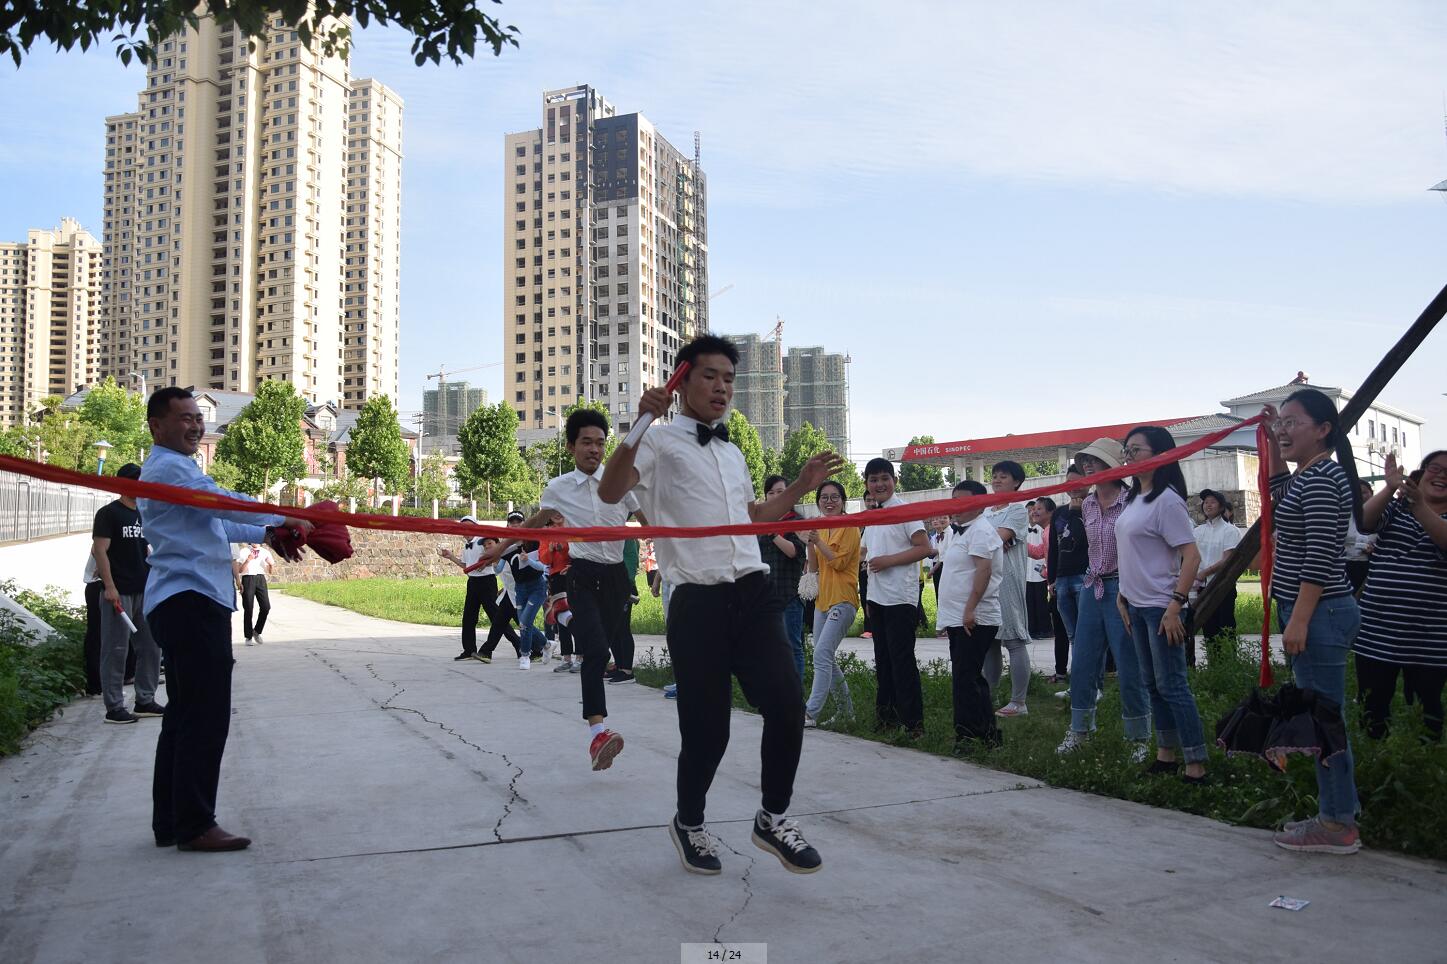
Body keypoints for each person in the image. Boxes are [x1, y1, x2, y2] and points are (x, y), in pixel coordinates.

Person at [599, 334, 842, 876]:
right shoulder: (657, 444)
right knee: (709, 730)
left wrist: (800, 487)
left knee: (787, 705)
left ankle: (772, 817)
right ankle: (689, 822)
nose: (721, 388)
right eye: (709, 376)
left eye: (728, 379)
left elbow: (753, 517)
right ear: (681, 381)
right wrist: (638, 425)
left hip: (753, 593)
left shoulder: (733, 452)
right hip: (697, 600)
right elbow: (610, 492)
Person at [139, 387, 312, 852]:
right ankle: (195, 824)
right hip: (191, 601)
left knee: (183, 714)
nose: (196, 425)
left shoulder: (173, 469)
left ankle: (171, 821)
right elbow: (221, 504)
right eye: (184, 418)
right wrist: (286, 515)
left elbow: (216, 522)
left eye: (198, 417)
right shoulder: (171, 469)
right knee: (205, 716)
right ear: (156, 425)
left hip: (182, 600)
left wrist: (269, 532)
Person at [484, 409, 645, 768]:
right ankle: (597, 733)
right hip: (582, 574)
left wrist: (679, 543)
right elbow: (532, 524)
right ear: (571, 446)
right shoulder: (558, 488)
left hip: (616, 577)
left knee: (605, 646)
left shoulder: (619, 482)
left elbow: (650, 523)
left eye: (600, 443)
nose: (594, 449)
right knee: (597, 651)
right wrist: (500, 547)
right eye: (586, 442)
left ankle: (562, 615)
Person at [1261, 389, 1363, 855]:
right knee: (1324, 718)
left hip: (1318, 613)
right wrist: (1270, 441)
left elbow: (1320, 556)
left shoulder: (1322, 479)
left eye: (1291, 422)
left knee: (1324, 723)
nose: (1283, 430)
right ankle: (1338, 813)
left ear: (1323, 430)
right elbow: (1281, 495)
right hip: (1314, 611)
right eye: (1280, 423)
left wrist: (1299, 620)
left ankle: (1337, 824)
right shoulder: (1310, 475)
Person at [1116, 427, 1208, 783]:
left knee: (1173, 685)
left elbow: (1192, 556)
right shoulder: (1134, 498)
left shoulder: (1167, 500)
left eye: (1135, 450)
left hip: (1161, 606)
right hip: (1136, 605)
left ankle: (1196, 764)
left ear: (1160, 455)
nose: (1128, 457)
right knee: (1152, 685)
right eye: (1126, 450)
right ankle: (1165, 756)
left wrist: (1175, 605)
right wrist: (1123, 594)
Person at [1057, 438, 1152, 758]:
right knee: (1083, 661)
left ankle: (1139, 737)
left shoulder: (1133, 500)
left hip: (1123, 587)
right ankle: (1080, 730)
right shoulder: (1087, 504)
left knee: (1128, 663)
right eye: (1085, 460)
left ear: (1111, 464)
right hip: (1091, 585)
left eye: (1094, 460)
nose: (1087, 465)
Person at [1354, 451, 1447, 741]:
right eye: (1435, 468)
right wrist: (1390, 487)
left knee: (1426, 710)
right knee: (1372, 707)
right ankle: (1373, 759)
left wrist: (1419, 505)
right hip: (1376, 631)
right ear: (1422, 473)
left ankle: (1422, 762)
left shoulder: (1419, 508)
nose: (1441, 475)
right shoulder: (1397, 508)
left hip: (1429, 637)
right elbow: (1364, 522)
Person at [862, 457, 935, 738]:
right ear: (867, 484)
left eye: (885, 478)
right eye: (873, 480)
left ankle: (914, 724)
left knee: (902, 661)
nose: (879, 484)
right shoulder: (873, 516)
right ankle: (886, 720)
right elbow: (866, 555)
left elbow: (924, 547)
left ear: (895, 480)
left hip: (901, 599)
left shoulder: (906, 511)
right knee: (883, 660)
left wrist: (889, 561)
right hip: (877, 599)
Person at [92, 463, 164, 725]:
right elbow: (99, 551)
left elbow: (145, 549)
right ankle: (114, 707)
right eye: (135, 481)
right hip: (118, 591)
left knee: (151, 646)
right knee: (116, 649)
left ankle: (145, 700)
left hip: (143, 590)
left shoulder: (144, 514)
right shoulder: (109, 514)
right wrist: (110, 586)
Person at [936, 479, 1005, 751]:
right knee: (968, 677)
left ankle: (969, 736)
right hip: (960, 618)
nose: (957, 506)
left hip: (974, 617)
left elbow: (983, 571)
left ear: (979, 504)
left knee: (967, 679)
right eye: (954, 500)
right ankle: (986, 735)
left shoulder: (981, 531)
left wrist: (969, 609)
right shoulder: (963, 531)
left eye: (963, 501)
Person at [802, 480, 860, 728]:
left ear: (843, 501)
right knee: (825, 656)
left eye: (834, 497)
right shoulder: (820, 527)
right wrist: (810, 543)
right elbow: (814, 568)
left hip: (843, 599)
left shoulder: (850, 526)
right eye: (824, 497)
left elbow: (838, 563)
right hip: (822, 601)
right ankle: (846, 713)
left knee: (822, 654)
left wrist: (818, 541)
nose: (829, 502)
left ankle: (810, 712)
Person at [983, 460, 1032, 717]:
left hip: (1007, 581)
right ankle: (988, 696)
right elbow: (979, 540)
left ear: (1016, 482)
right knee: (990, 641)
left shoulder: (1017, 510)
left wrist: (987, 540)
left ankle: (1019, 702)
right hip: (984, 581)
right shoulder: (985, 511)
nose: (997, 480)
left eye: (1003, 476)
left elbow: (993, 539)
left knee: (1013, 640)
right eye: (994, 475)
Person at [440, 525, 520, 662]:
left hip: (486, 582)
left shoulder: (482, 541)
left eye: (468, 527)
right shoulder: (467, 546)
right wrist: (451, 557)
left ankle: (518, 644)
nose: (465, 532)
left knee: (497, 617)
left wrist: (485, 564)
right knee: (468, 617)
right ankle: (469, 650)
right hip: (473, 582)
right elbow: (466, 566)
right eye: (463, 529)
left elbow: (493, 557)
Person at [758, 474, 808, 681]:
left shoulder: (796, 521)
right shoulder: (759, 523)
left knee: (792, 646)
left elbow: (793, 552)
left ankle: (795, 693)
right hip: (765, 596)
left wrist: (772, 532)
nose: (775, 496)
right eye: (771, 493)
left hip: (789, 595)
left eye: (780, 492)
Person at [1047, 467, 1090, 686]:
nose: (1073, 487)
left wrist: (1077, 512)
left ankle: (1092, 679)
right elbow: (1054, 548)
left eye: (1077, 482)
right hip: (1062, 578)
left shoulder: (1094, 506)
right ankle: (1079, 680)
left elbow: (1087, 539)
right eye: (1069, 483)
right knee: (1072, 633)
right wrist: (1052, 578)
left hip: (1085, 575)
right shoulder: (1059, 512)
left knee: (1088, 631)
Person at [1190, 489, 1242, 667]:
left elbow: (1227, 560)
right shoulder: (1198, 531)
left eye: (1212, 502)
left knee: (1225, 627)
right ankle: (1214, 667)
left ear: (1221, 506)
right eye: (1205, 502)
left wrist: (1204, 572)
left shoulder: (1230, 531)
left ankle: (1229, 666)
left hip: (1222, 587)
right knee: (1208, 629)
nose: (1208, 505)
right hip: (1202, 587)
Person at [231, 541, 274, 647]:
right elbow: (240, 570)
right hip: (248, 578)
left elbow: (270, 571)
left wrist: (270, 564)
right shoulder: (244, 551)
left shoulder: (265, 552)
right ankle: (248, 636)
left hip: (260, 579)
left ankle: (257, 631)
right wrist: (248, 560)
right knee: (248, 608)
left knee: (266, 607)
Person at [1025, 500, 1054, 639]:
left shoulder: (1051, 530)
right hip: (1033, 573)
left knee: (1042, 603)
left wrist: (1047, 572)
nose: (1033, 512)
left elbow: (1055, 556)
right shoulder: (1045, 531)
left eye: (1038, 509)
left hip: (1050, 577)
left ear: (1050, 512)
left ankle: (1046, 629)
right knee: (1029, 603)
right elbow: (1038, 552)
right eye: (1031, 510)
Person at [1343, 479, 1377, 595]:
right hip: (1347, 565)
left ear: (1371, 493)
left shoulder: (1382, 514)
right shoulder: (1344, 515)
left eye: (1364, 492)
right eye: (1356, 493)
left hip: (1371, 565)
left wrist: (1374, 549)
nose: (1361, 496)